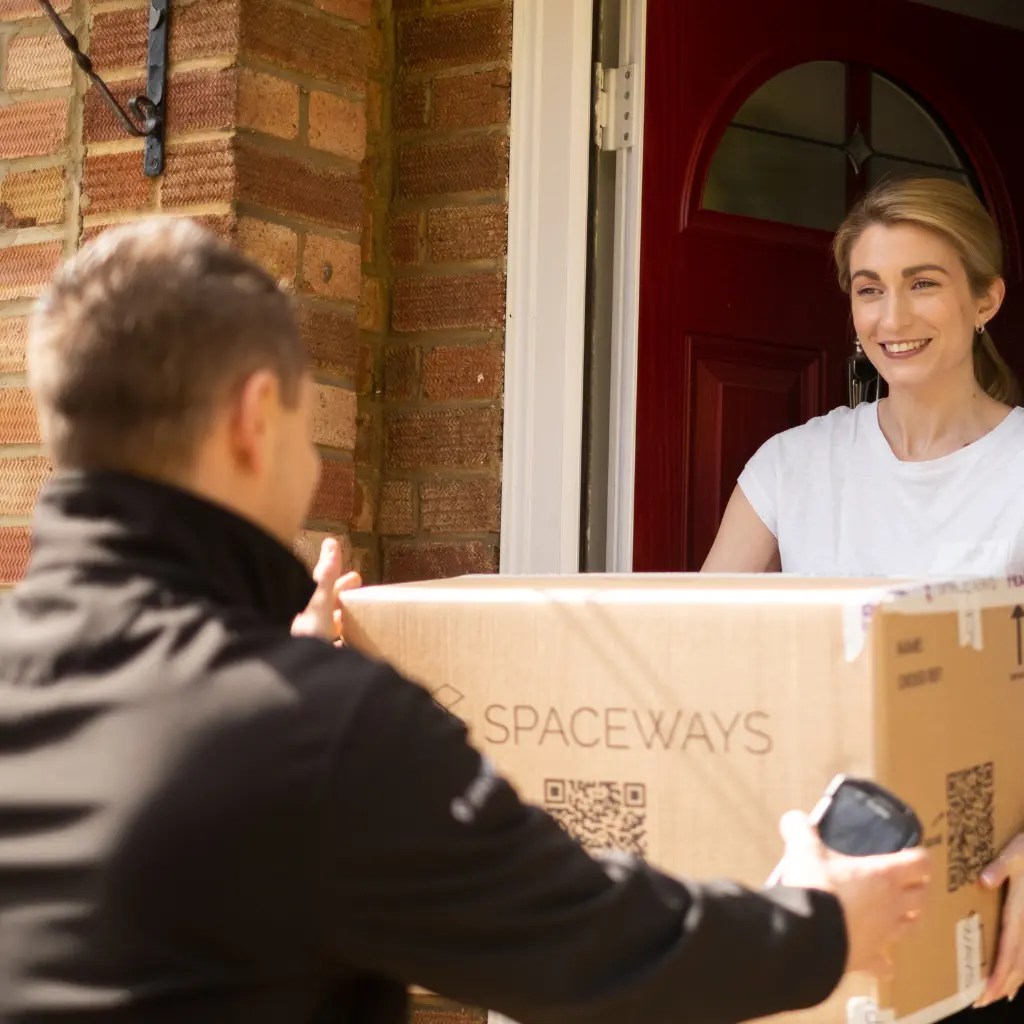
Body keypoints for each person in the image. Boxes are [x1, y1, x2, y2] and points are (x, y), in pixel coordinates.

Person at [0, 220, 930, 1023]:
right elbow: (588, 951)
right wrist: (824, 922)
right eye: (304, 416)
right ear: (253, 419)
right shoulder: (313, 730)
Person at [703, 176, 1024, 1014]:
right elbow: (698, 647)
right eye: (869, 289)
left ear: (986, 299)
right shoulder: (792, 467)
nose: (893, 318)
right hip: (817, 884)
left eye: (925, 283)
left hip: (987, 885)